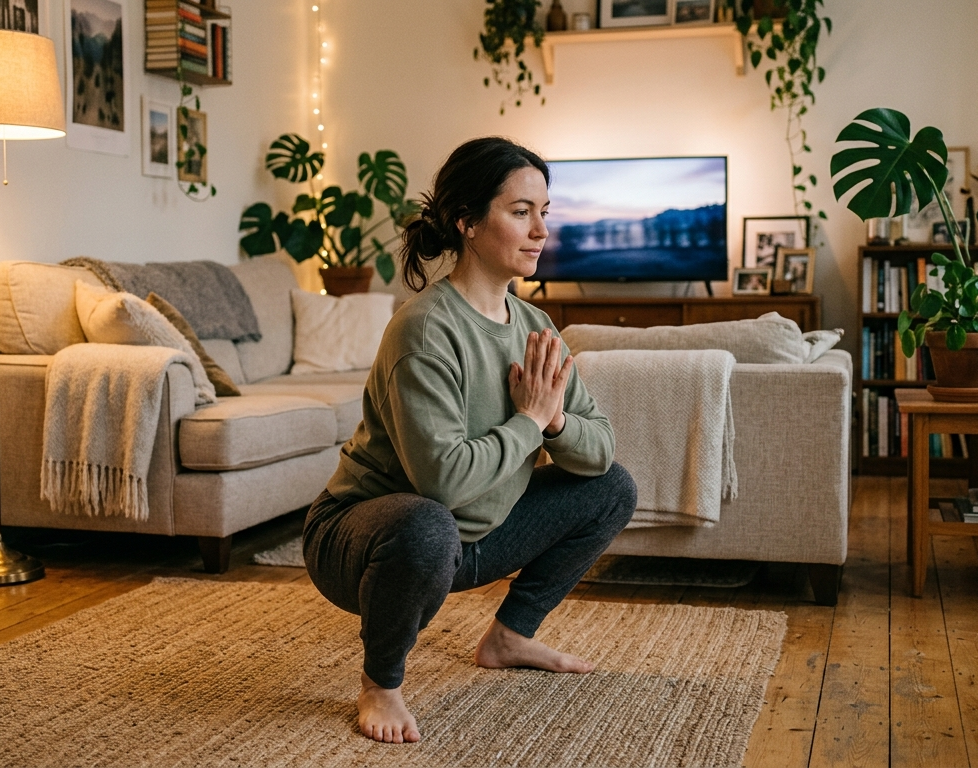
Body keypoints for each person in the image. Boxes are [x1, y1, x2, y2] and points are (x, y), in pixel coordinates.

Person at [302, 136, 637, 744]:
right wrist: (530, 421)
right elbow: (444, 481)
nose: (540, 230)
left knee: (612, 488)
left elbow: (601, 448)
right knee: (429, 523)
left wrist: (556, 421)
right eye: (520, 212)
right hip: (366, 537)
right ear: (468, 223)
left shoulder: (536, 327)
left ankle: (510, 637)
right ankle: (380, 682)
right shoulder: (426, 329)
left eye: (544, 212)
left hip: (473, 534)